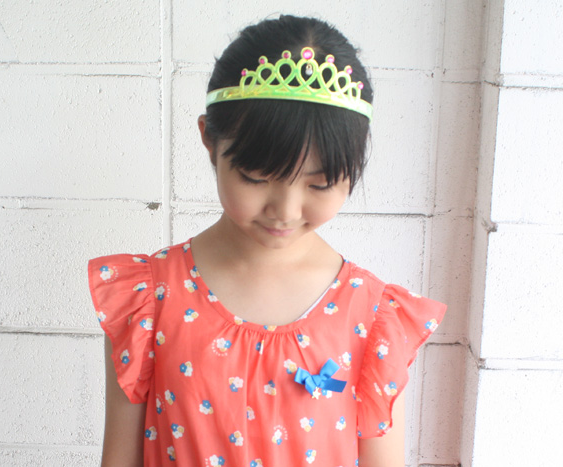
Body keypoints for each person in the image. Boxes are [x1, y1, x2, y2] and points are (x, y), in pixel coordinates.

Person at [88, 15, 446, 467]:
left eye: (319, 184)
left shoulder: (372, 316)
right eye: (257, 178)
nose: (286, 210)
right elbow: (119, 459)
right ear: (210, 140)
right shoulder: (148, 301)